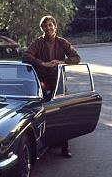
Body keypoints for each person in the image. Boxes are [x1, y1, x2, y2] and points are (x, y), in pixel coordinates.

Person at [22, 15, 80, 158]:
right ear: (42, 28)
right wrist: (43, 63)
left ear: (55, 26)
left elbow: (77, 58)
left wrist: (62, 62)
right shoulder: (37, 42)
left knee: (62, 114)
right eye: (45, 26)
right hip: (42, 82)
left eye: (50, 25)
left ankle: (65, 147)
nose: (48, 28)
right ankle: (44, 143)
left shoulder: (62, 42)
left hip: (59, 82)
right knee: (42, 113)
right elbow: (26, 56)